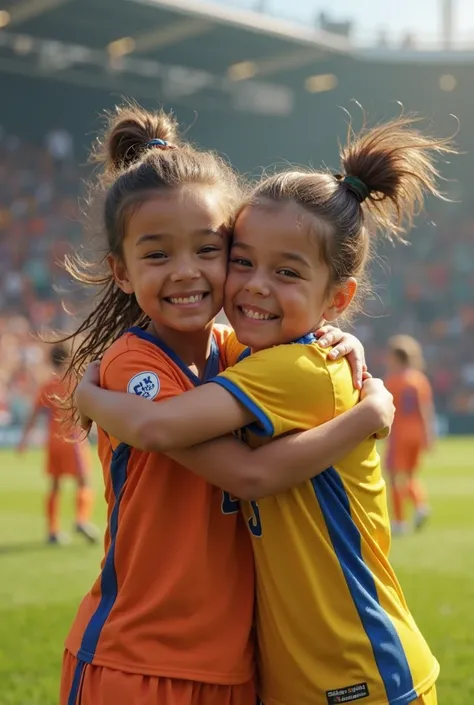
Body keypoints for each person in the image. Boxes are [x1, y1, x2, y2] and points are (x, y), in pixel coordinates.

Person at [76, 115, 455, 705]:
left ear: (338, 297)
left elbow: (234, 466)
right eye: (244, 260)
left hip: (336, 666)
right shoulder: (172, 362)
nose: (250, 284)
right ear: (121, 270)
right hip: (157, 657)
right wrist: (367, 403)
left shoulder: (275, 364)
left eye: (208, 249)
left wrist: (87, 396)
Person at [17, 343, 98, 545]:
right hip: (73, 442)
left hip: (53, 442)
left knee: (54, 485)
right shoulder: (76, 382)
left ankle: (52, 531)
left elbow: (33, 414)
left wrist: (24, 441)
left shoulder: (47, 385)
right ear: (69, 358)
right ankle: (81, 520)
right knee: (84, 482)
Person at [385, 334, 435, 534]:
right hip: (417, 433)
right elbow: (425, 408)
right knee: (411, 475)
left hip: (400, 434)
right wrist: (428, 434)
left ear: (396, 357)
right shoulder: (419, 379)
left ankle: (399, 521)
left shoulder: (393, 381)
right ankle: (420, 505)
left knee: (394, 477)